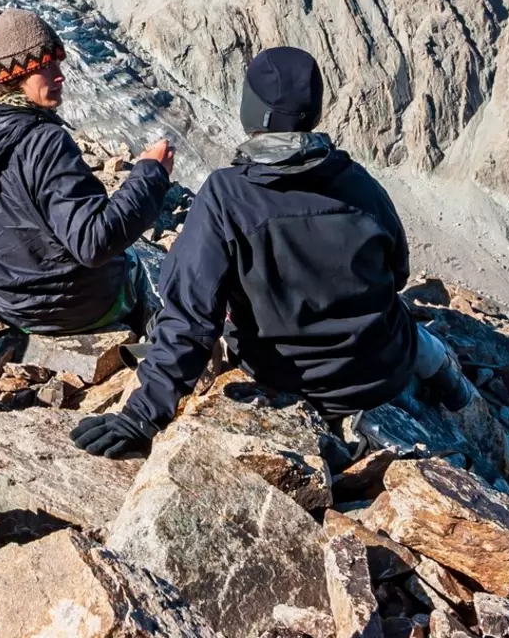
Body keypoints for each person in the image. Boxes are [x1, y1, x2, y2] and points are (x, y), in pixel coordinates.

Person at [74, 46, 476, 459]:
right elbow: (398, 274)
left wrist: (142, 416)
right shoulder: (360, 185)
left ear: (252, 111)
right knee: (411, 328)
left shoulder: (226, 196)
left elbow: (190, 319)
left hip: (288, 375)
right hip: (380, 370)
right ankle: (459, 393)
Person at [0, 8, 176, 339]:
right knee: (144, 259)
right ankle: (162, 342)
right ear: (15, 77)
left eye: (57, 63)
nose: (59, 75)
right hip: (77, 310)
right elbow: (94, 243)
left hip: (5, 305)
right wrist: (150, 175)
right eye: (44, 67)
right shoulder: (44, 142)